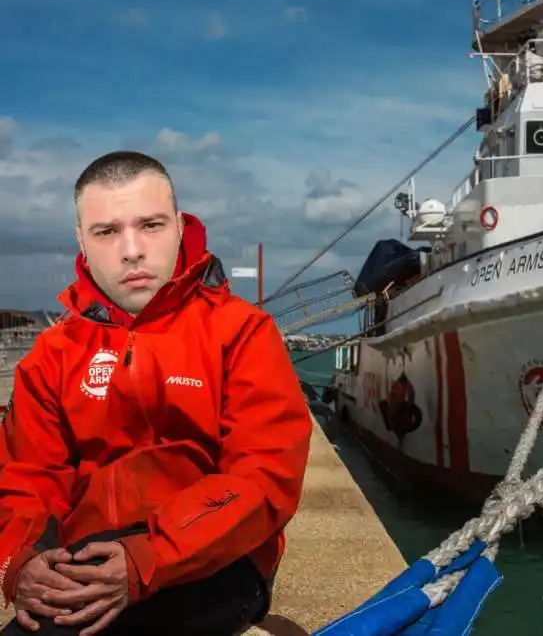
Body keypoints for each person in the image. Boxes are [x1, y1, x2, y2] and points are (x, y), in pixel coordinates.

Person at [0, 151, 314, 635]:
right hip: (87, 555)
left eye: (150, 225)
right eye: (106, 231)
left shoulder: (242, 332)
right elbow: (27, 476)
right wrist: (19, 563)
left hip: (215, 558)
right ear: (82, 241)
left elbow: (264, 476)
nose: (131, 250)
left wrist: (147, 558)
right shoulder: (52, 353)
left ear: (180, 227)